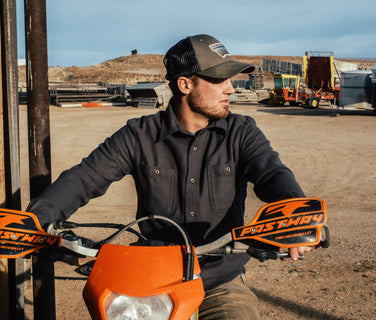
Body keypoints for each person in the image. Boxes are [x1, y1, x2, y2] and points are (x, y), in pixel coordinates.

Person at [27, 34, 314, 319]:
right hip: (151, 279)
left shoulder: (242, 132)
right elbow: (86, 177)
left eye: (231, 80)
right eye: (219, 80)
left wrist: (298, 213)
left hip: (219, 281)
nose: (230, 89)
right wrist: (35, 220)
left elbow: (272, 173)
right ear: (185, 84)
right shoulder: (139, 135)